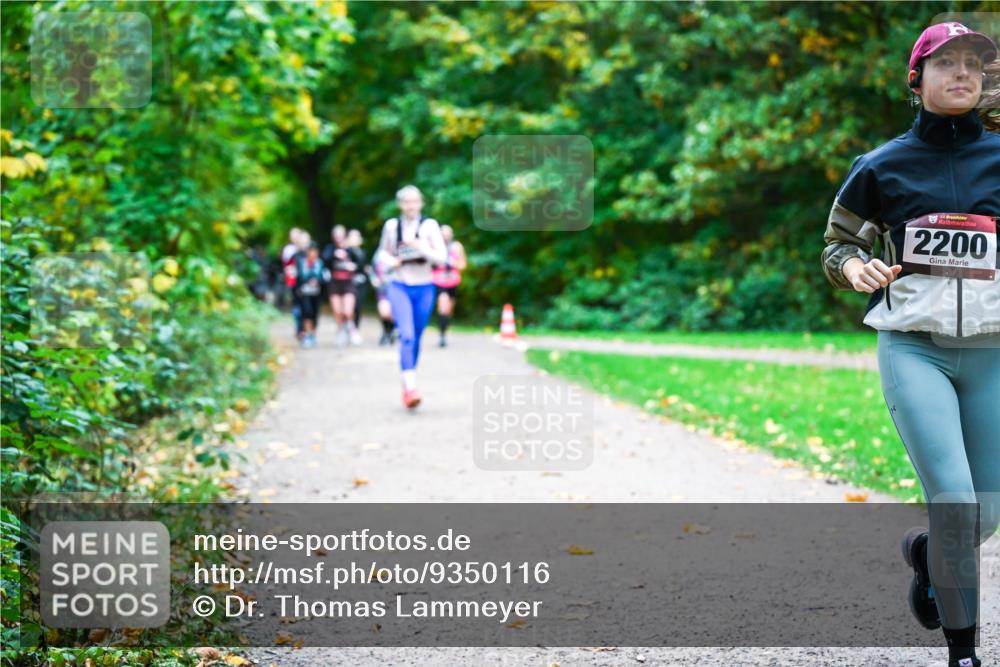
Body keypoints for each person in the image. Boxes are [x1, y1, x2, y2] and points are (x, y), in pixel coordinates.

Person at [821, 22, 999, 667]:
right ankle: (965, 653)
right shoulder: (880, 166)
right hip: (913, 348)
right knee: (955, 503)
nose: (962, 75)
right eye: (947, 63)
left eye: (974, 66)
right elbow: (839, 245)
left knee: (989, 510)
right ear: (915, 79)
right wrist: (853, 269)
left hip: (993, 354)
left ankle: (927, 555)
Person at [375, 185, 448, 408]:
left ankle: (409, 378)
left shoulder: (430, 226)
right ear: (400, 204)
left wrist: (421, 247)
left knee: (416, 336)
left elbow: (442, 258)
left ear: (421, 203)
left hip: (425, 286)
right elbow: (381, 253)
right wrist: (392, 262)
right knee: (405, 335)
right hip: (399, 285)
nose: (411, 206)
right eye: (406, 201)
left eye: (414, 201)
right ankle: (410, 387)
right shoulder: (391, 226)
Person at [322, 225, 363, 348]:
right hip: (335, 282)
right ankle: (341, 331)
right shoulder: (330, 249)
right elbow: (325, 261)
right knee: (338, 311)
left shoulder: (351, 249)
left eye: (341, 235)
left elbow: (360, 263)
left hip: (349, 282)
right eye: (336, 235)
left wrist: (351, 263)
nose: (339, 237)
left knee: (348, 310)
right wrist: (335, 254)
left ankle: (352, 328)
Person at [431, 224, 466, 348]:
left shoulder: (457, 247)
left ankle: (444, 332)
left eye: (447, 234)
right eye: (443, 234)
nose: (445, 236)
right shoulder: (434, 247)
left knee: (449, 310)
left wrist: (453, 263)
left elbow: (463, 264)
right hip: (439, 282)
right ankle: (441, 335)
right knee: (443, 306)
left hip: (453, 282)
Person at [295, 242, 326, 349]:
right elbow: (298, 277)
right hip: (304, 293)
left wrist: (317, 280)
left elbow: (323, 277)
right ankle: (307, 334)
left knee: (315, 314)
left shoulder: (320, 263)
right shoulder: (301, 262)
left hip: (316, 293)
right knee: (306, 313)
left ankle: (312, 334)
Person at [281, 228, 305, 337]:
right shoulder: (289, 250)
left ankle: (304, 327)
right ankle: (299, 327)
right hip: (293, 282)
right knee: (296, 305)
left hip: (304, 282)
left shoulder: (306, 249)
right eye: (292, 235)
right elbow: (287, 267)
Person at [348, 229, 368, 342]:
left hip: (361, 282)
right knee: (350, 307)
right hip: (348, 283)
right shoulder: (347, 252)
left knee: (358, 306)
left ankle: (355, 329)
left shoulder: (362, 252)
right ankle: (349, 328)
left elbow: (363, 267)